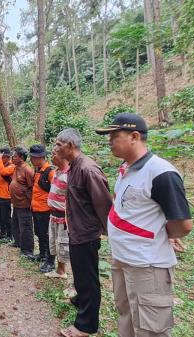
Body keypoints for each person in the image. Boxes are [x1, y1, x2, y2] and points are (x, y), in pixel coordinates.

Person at [95, 114, 193, 337]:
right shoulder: (126, 169)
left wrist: (164, 233)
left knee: (150, 328)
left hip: (147, 264)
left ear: (135, 136)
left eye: (114, 136)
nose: (109, 141)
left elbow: (183, 224)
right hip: (123, 258)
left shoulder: (161, 173)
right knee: (126, 315)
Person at [55, 128, 113, 337]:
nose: (55, 148)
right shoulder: (73, 167)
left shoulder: (88, 169)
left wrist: (110, 234)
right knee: (80, 273)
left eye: (58, 144)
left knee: (88, 279)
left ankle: (86, 325)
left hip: (87, 234)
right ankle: (80, 301)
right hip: (76, 230)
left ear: (70, 145)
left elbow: (105, 205)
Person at [29, 144, 56, 272]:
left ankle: (50, 262)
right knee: (39, 233)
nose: (32, 160)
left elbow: (55, 191)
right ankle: (41, 254)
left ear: (42, 157)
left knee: (47, 235)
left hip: (45, 210)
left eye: (34, 158)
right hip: (36, 209)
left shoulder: (50, 172)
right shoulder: (37, 170)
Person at [45, 148, 69, 279]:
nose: (52, 157)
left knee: (63, 244)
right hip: (53, 214)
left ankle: (63, 271)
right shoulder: (57, 172)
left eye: (54, 154)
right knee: (55, 242)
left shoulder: (69, 174)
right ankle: (60, 270)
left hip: (63, 216)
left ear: (63, 156)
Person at [8, 147, 36, 259]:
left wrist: (29, 202)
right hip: (16, 203)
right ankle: (18, 243)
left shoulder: (27, 170)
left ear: (21, 158)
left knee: (26, 227)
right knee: (15, 224)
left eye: (14, 156)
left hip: (24, 204)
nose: (12, 158)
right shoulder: (16, 168)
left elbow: (32, 188)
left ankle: (28, 250)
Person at [0, 147, 15, 241]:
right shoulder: (3, 165)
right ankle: (2, 232)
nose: (0, 159)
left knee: (6, 216)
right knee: (0, 216)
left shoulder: (11, 166)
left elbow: (2, 172)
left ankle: (9, 235)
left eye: (1, 157)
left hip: (5, 195)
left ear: (6, 157)